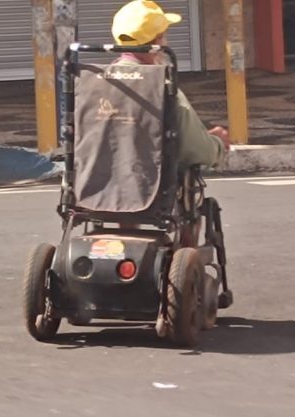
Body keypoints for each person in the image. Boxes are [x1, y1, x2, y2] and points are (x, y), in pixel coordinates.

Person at [111, 0, 230, 245]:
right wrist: (217, 144)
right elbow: (193, 147)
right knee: (189, 187)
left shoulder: (91, 82)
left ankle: (126, 229)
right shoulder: (160, 86)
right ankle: (186, 250)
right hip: (152, 186)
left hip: (98, 184)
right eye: (164, 36)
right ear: (156, 43)